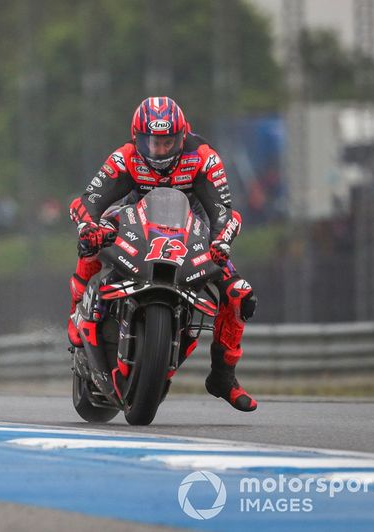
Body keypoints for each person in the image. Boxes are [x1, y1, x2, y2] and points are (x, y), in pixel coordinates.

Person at [66, 96, 258, 412]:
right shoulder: (124, 158)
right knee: (90, 243)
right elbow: (87, 201)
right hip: (131, 227)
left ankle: (223, 376)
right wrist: (89, 227)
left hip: (190, 236)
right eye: (152, 142)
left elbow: (224, 211)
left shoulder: (204, 159)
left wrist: (221, 242)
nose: (160, 150)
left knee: (240, 294)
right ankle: (76, 313)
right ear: (137, 137)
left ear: (182, 136)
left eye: (168, 142)